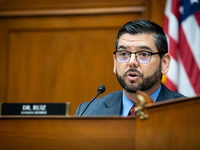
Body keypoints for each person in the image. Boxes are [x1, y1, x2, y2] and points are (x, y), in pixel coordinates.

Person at [75, 19, 185, 116]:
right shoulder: (87, 112)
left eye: (144, 54)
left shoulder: (190, 112)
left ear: (164, 63)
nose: (132, 62)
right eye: (123, 54)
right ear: (115, 62)